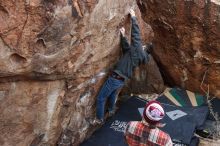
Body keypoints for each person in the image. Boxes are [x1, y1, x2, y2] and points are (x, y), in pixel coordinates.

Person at [92, 9, 153, 125]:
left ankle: (99, 119)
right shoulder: (138, 55)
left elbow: (136, 36)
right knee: (111, 95)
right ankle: (111, 111)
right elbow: (127, 49)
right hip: (121, 80)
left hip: (116, 77)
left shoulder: (139, 51)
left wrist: (134, 17)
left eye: (143, 46)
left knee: (101, 98)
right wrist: (123, 35)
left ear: (145, 48)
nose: (142, 45)